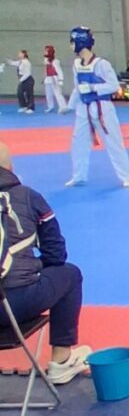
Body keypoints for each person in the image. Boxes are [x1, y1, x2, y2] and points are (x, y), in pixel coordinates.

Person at [0, 142, 91, 385]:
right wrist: (31, 266)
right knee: (70, 274)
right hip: (15, 302)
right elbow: (56, 255)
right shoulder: (29, 197)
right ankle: (61, 360)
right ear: (10, 168)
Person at [65, 26, 129, 188]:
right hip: (83, 107)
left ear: (80, 42)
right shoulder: (76, 64)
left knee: (113, 141)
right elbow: (77, 88)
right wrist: (70, 106)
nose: (70, 46)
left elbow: (114, 85)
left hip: (102, 108)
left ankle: (126, 176)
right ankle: (79, 175)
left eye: (72, 42)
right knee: (78, 141)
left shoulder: (101, 64)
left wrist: (92, 88)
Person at [42, 45, 67, 114]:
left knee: (58, 93)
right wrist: (44, 78)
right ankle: (50, 106)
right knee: (48, 94)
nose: (45, 52)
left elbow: (59, 71)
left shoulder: (55, 61)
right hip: (48, 79)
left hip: (54, 78)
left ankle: (63, 107)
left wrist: (61, 80)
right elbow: (45, 70)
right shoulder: (46, 60)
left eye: (46, 51)